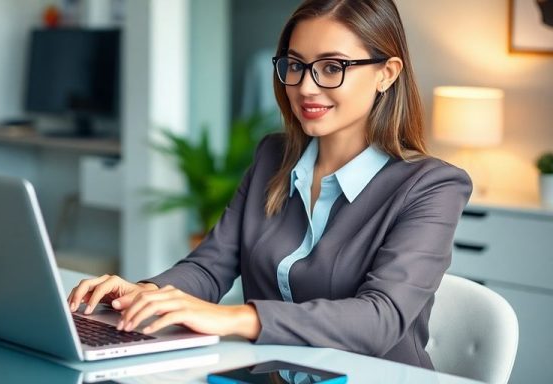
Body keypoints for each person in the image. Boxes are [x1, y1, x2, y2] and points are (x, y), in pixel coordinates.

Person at [68, 0, 471, 369]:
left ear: (386, 73)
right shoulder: (272, 158)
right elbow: (210, 266)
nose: (305, 87)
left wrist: (236, 317)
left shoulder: (432, 186)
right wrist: (145, 294)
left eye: (332, 67)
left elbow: (380, 318)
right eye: (295, 65)